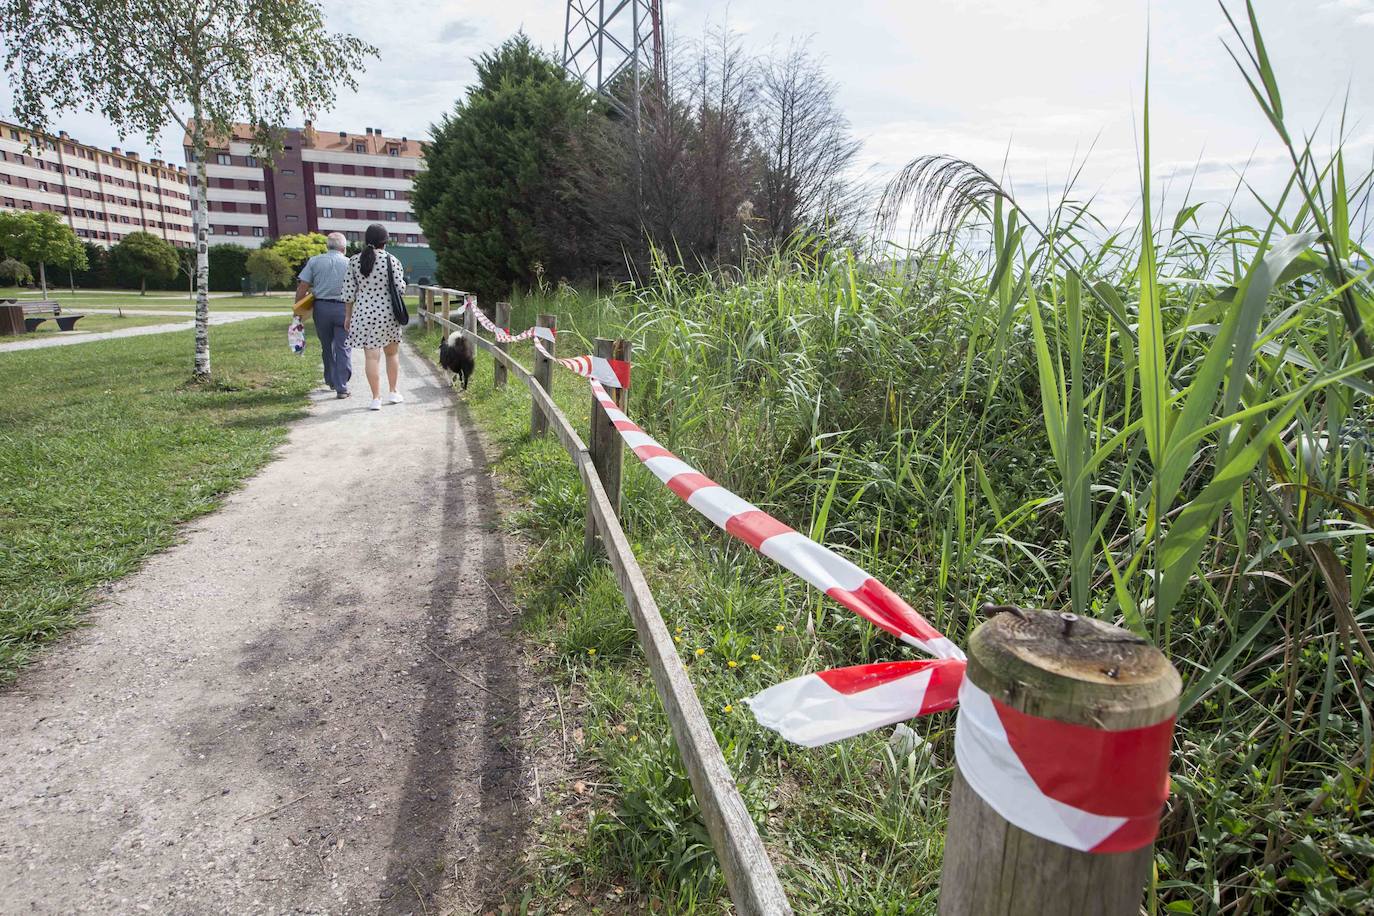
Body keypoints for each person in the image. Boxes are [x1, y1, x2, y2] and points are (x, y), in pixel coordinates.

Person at [341, 223, 407, 411]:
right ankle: (393, 392)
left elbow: (348, 292)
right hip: (387, 314)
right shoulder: (391, 260)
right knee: (392, 354)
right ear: (385, 241)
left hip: (362, 314)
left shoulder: (353, 261)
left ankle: (375, 398)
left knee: (371, 358)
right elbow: (400, 288)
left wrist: (348, 316)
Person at [296, 232, 353, 398]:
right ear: (344, 248)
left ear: (327, 246)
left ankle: (331, 380)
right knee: (344, 347)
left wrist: (298, 310)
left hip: (321, 308)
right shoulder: (349, 263)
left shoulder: (314, 261)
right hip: (344, 308)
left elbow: (302, 287)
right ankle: (342, 386)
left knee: (326, 346)